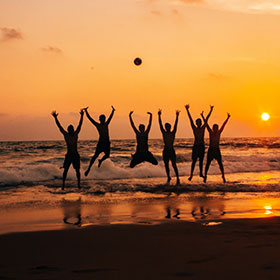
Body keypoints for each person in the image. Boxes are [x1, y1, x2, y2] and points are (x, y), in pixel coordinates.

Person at [51, 109, 84, 190]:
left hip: (75, 154)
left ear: (73, 129)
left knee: (77, 170)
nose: (71, 130)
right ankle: (63, 185)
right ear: (68, 130)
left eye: (72, 129)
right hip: (69, 155)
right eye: (70, 129)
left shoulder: (76, 134)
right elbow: (60, 127)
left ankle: (79, 185)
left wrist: (82, 116)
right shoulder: (66, 135)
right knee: (65, 170)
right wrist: (55, 118)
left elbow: (80, 125)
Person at [84, 106, 115, 176]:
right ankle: (88, 169)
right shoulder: (98, 125)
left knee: (107, 155)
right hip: (101, 143)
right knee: (95, 156)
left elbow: (110, 117)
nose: (103, 120)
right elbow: (90, 119)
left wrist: (113, 111)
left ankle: (100, 160)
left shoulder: (106, 124)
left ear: (104, 119)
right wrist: (86, 112)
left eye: (103, 119)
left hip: (107, 143)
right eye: (101, 119)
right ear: (100, 119)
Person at [185, 104, 214, 181]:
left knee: (201, 161)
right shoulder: (194, 128)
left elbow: (207, 119)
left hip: (201, 146)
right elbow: (190, 119)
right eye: (197, 122)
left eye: (200, 122)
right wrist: (187, 110)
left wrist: (211, 110)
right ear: (196, 123)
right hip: (196, 146)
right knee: (194, 161)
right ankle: (191, 175)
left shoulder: (203, 128)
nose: (199, 123)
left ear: (201, 123)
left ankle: (201, 174)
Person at [202, 112, 231, 183]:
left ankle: (223, 176)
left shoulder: (219, 133)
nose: (215, 129)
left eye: (216, 128)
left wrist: (227, 118)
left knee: (220, 164)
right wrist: (203, 116)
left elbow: (224, 125)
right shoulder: (210, 132)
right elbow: (206, 124)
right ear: (213, 128)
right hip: (211, 150)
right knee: (208, 164)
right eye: (214, 128)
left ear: (217, 128)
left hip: (217, 150)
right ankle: (205, 176)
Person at [158, 109, 180, 185]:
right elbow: (160, 125)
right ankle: (168, 176)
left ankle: (177, 177)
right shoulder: (164, 133)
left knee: (174, 164)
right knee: (166, 164)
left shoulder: (173, 133)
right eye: (166, 127)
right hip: (166, 150)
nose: (167, 128)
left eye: (168, 127)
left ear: (170, 127)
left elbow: (176, 125)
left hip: (171, 150)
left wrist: (177, 116)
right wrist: (159, 116)